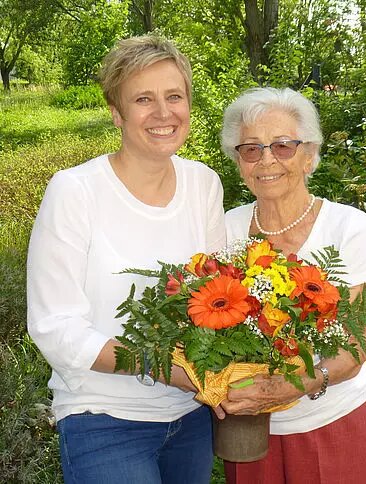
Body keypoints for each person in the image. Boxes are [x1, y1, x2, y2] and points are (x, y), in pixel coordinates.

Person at [27, 35, 226, 484]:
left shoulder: (203, 184)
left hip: (192, 417)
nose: (163, 113)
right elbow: (55, 327)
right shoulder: (75, 192)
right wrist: (163, 368)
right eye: (143, 99)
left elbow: (217, 298)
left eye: (174, 96)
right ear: (117, 113)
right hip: (104, 419)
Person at [219, 87, 366, 484]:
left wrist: (291, 388)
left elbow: (356, 344)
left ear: (309, 154)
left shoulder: (347, 226)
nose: (266, 160)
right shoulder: (223, 228)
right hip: (249, 432)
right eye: (251, 149)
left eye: (282, 146)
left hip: (333, 424)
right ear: (239, 162)